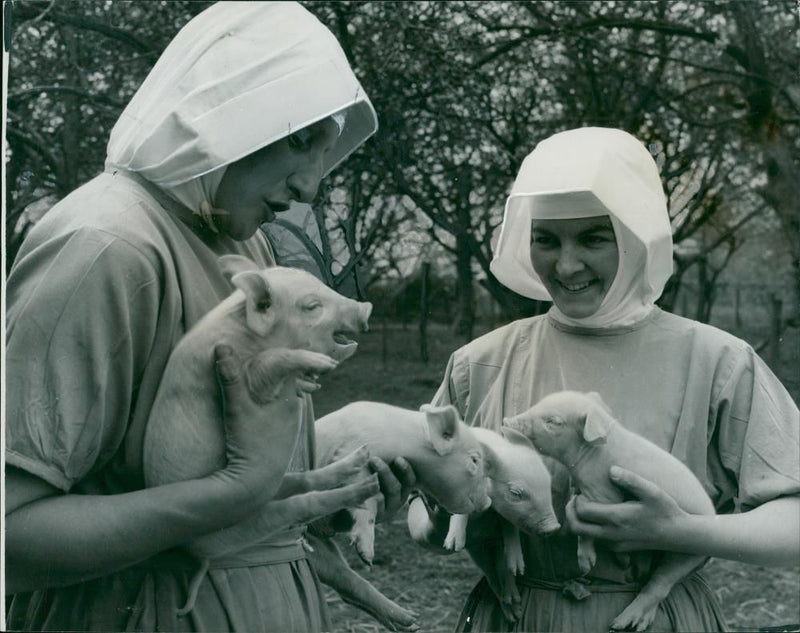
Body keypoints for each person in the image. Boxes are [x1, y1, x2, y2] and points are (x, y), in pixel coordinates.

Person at [4, 3, 415, 631]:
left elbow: (231, 471)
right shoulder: (106, 248)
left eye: (325, 150)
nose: (311, 184)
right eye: (299, 141)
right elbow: (13, 538)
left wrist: (322, 499)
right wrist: (233, 495)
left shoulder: (241, 241)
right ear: (225, 116)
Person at [413, 127, 800, 632]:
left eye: (594, 238)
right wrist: (446, 510)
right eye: (546, 239)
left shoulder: (720, 362)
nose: (566, 264)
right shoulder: (480, 362)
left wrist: (684, 530)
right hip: (517, 619)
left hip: (655, 618)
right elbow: (422, 518)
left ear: (637, 237)